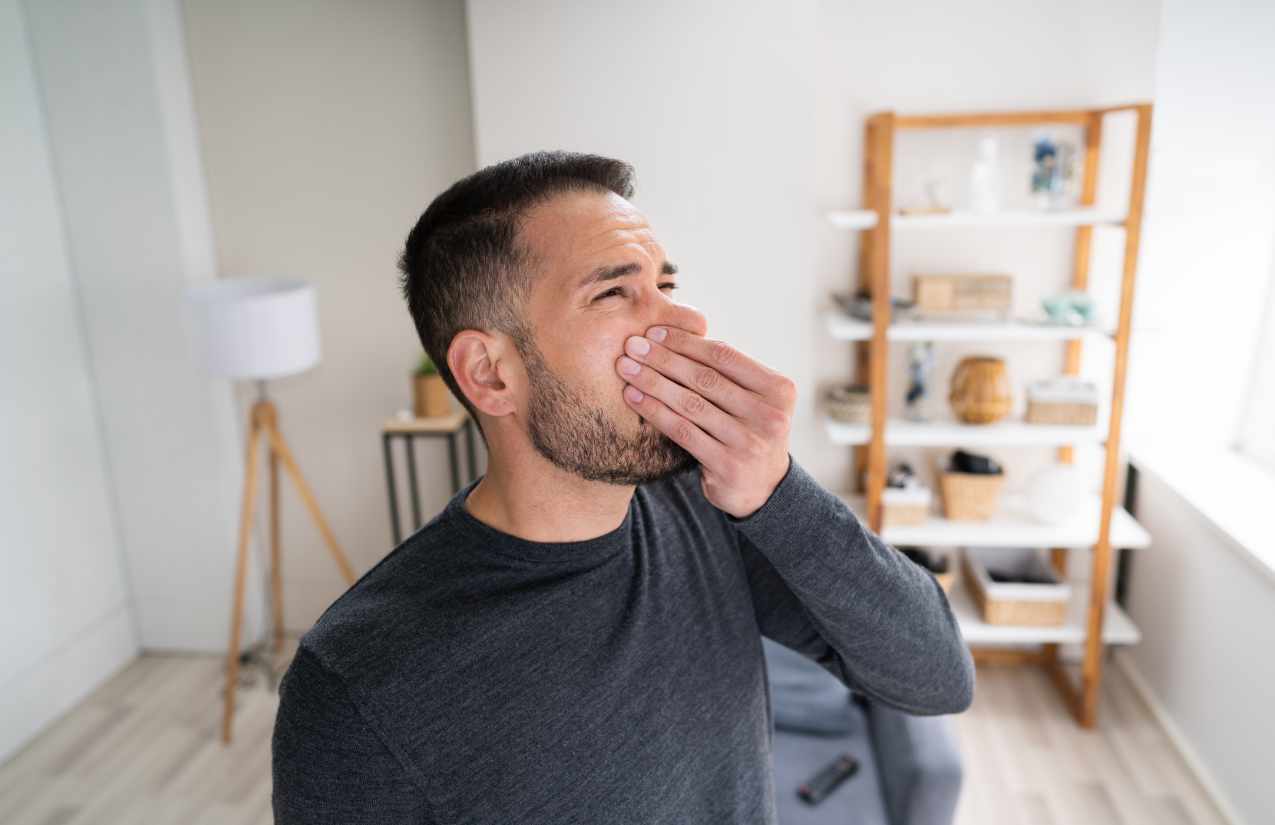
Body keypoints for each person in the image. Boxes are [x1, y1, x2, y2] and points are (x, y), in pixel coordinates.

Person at [270, 150, 974, 824]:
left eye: (664, 285)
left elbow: (936, 676)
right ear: (488, 372)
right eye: (613, 292)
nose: (685, 321)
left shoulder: (708, 507)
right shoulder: (357, 681)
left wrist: (778, 492)